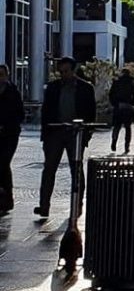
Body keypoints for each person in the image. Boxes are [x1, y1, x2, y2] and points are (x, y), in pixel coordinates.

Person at [36, 56, 96, 218]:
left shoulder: (85, 88)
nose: (63, 75)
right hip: (55, 132)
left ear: (73, 70)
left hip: (75, 133)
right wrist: (45, 135)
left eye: (66, 71)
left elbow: (91, 113)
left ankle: (77, 205)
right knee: (49, 169)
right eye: (61, 72)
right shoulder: (53, 88)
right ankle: (44, 205)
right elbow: (46, 112)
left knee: (76, 170)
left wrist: (86, 135)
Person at [0, 65, 24, 214]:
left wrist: (7, 125)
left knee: (3, 163)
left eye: (1, 74)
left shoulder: (13, 92)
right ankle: (5, 198)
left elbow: (19, 114)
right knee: (2, 166)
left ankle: (6, 198)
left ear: (7, 75)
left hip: (9, 135)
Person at [109, 69, 134, 154]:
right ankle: (127, 146)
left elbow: (111, 94)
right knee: (128, 128)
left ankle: (114, 141)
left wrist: (114, 104)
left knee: (117, 126)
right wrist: (132, 104)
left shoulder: (117, 82)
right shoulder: (131, 83)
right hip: (127, 106)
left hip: (118, 106)